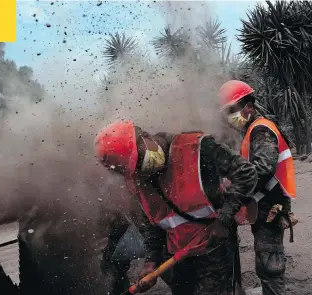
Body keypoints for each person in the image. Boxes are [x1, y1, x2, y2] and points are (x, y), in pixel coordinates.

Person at [94, 120, 257, 295]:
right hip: (179, 258)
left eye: (140, 157)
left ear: (145, 136)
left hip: (214, 249)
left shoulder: (197, 147)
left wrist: (224, 219)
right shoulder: (137, 180)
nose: (142, 167)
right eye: (135, 167)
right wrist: (151, 261)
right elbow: (152, 224)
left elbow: (246, 173)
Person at [218, 80, 298, 295]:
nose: (230, 116)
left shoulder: (261, 130)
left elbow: (262, 168)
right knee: (265, 262)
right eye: (227, 112)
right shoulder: (252, 130)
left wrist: (234, 191)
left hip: (271, 206)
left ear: (249, 106)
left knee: (270, 264)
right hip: (265, 205)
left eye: (233, 110)